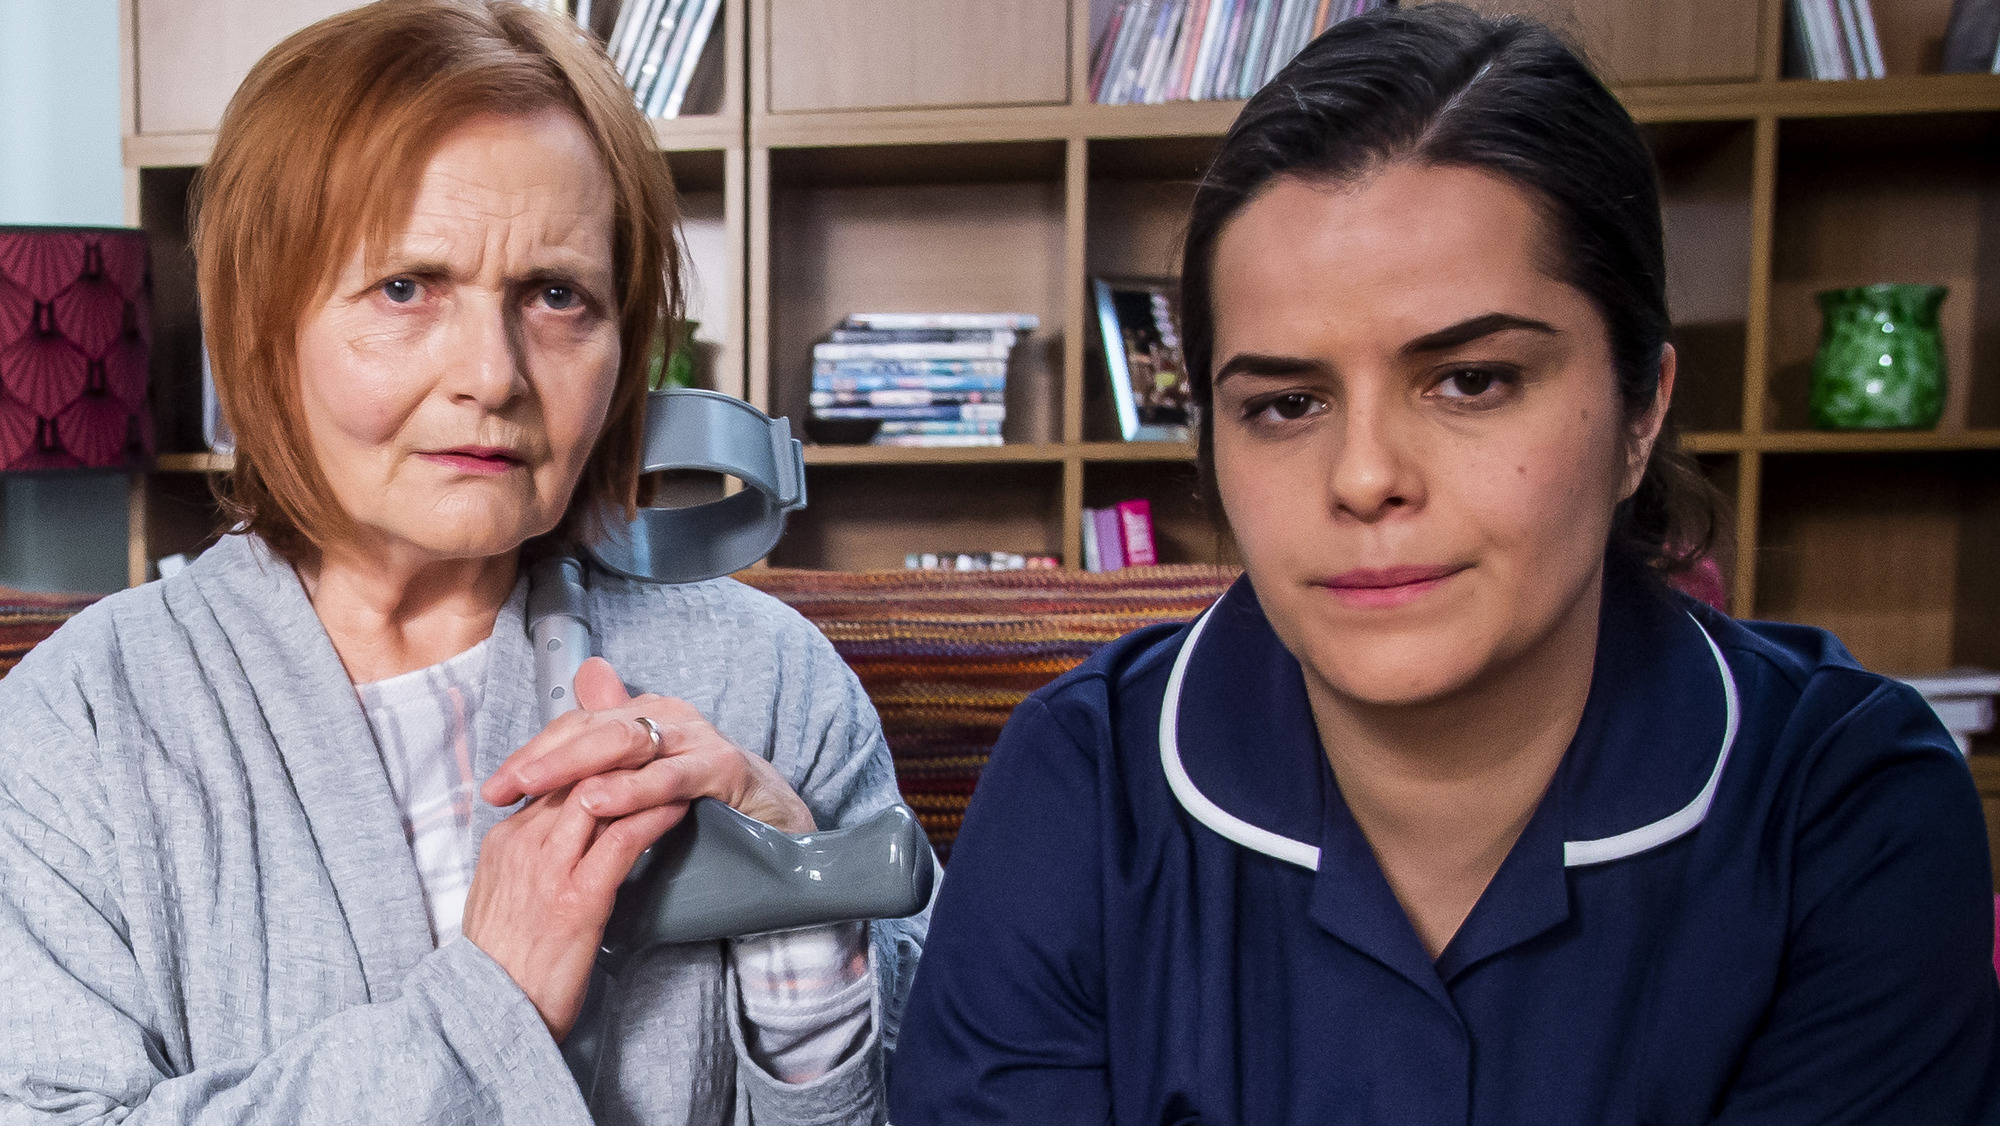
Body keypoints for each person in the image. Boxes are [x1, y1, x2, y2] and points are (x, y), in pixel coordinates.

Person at [889, 6, 2000, 1124]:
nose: (1364, 476)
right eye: (1286, 403)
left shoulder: (1848, 802)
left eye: (1470, 380)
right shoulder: (1080, 781)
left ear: (1640, 412)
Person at [0, 3, 921, 1122]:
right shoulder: (75, 726)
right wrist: (490, 1009)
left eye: (556, 295)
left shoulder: (773, 680)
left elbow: (933, 1092)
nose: (493, 374)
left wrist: (802, 913)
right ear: (264, 328)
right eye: (406, 286)